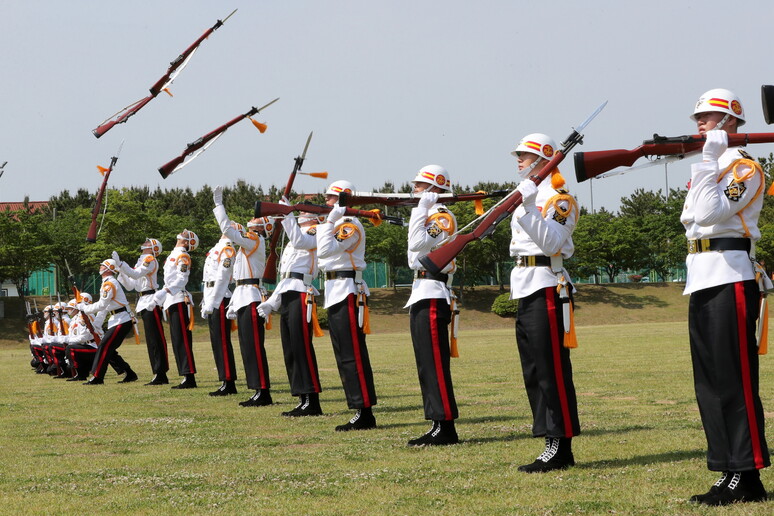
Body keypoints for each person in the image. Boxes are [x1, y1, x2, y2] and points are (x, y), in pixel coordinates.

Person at [681, 88, 769, 505]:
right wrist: (707, 166)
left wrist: (706, 164)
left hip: (731, 276)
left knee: (734, 380)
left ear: (732, 123)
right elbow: (691, 219)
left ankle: (747, 473)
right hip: (701, 277)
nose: (701, 122)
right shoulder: (714, 164)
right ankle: (727, 470)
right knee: (710, 383)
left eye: (711, 116)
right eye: (698, 116)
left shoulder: (745, 168)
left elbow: (707, 215)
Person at [509, 133, 581, 472]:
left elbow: (551, 242)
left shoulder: (560, 200)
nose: (519, 160)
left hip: (548, 286)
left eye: (525, 155)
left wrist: (527, 206)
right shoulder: (529, 195)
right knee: (534, 370)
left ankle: (560, 443)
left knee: (551, 370)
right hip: (525, 286)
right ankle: (548, 439)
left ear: (543, 160)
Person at [403, 165, 460, 446]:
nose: (415, 190)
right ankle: (437, 423)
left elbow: (416, 244)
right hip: (421, 291)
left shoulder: (442, 218)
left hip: (434, 292)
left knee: (435, 364)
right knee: (426, 363)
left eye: (419, 186)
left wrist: (419, 210)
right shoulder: (429, 215)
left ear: (433, 189)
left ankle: (446, 426)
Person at [317, 180, 378, 431]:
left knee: (352, 354)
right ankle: (358, 407)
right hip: (335, 290)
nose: (327, 202)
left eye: (332, 198)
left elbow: (323, 251)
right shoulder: (338, 224)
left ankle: (364, 412)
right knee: (344, 354)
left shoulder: (349, 225)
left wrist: (330, 222)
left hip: (347, 290)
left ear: (343, 201)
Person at [258, 208, 324, 417]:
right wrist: (272, 302)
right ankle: (302, 397)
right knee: (290, 349)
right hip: (288, 291)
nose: (300, 214)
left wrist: (286, 215)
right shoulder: (295, 234)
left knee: (302, 347)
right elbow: (285, 276)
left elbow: (300, 242)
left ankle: (312, 400)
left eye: (304, 211)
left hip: (302, 294)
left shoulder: (315, 231)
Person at [212, 186, 274, 407]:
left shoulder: (254, 239)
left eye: (256, 218)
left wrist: (219, 207)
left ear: (261, 227)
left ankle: (263, 391)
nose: (251, 218)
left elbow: (229, 231)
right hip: (243, 294)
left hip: (251, 296)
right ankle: (257, 389)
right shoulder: (249, 242)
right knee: (247, 346)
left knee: (254, 346)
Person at [113, 239, 170, 385]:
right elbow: (131, 285)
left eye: (148, 243)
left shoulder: (149, 259)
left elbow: (136, 275)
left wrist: (121, 264)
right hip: (143, 300)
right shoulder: (141, 261)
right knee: (151, 340)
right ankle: (157, 373)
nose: (144, 243)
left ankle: (161, 373)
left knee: (156, 339)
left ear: (153, 248)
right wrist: (120, 271)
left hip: (151, 299)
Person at [80, 259, 138, 385]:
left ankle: (97, 377)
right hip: (117, 319)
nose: (100, 267)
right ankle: (129, 373)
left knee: (104, 346)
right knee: (108, 348)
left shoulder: (109, 284)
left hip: (122, 319)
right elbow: (105, 308)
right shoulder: (107, 283)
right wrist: (97, 324)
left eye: (102, 265)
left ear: (107, 268)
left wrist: (85, 308)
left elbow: (102, 305)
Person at [154, 230, 199, 389]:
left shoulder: (183, 256)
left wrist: (166, 291)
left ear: (187, 242)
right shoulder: (174, 253)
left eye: (186, 233)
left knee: (183, 340)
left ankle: (190, 376)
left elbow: (182, 278)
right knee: (177, 340)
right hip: (171, 299)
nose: (182, 232)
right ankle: (185, 376)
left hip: (179, 298)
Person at [201, 230, 239, 397]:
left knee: (222, 341)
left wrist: (213, 301)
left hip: (220, 297)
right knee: (216, 341)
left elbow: (223, 277)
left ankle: (228, 381)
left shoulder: (228, 248)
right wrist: (206, 300)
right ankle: (223, 379)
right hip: (211, 294)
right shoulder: (218, 247)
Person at [63, 293, 106, 381]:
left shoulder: (84, 317)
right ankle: (82, 372)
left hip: (92, 346)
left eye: (70, 308)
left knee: (70, 348)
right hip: (86, 345)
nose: (68, 311)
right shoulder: (76, 318)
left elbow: (84, 338)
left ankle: (81, 374)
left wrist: (68, 340)